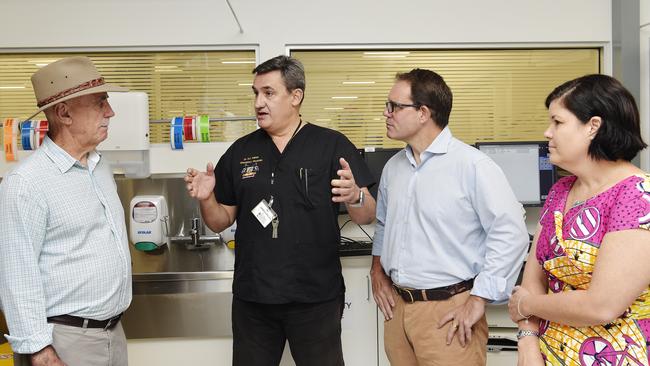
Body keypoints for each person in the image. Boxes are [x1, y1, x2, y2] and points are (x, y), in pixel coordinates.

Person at [184, 55, 376, 366]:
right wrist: (206, 198)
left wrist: (355, 196)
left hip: (315, 297)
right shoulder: (240, 152)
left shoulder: (331, 145)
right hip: (254, 299)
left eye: (269, 93)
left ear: (295, 96)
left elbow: (366, 215)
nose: (258, 102)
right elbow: (220, 222)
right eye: (255, 92)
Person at [370, 68, 529, 365]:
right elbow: (383, 224)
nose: (386, 112)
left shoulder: (472, 166)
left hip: (448, 311)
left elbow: (512, 233)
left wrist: (480, 297)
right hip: (398, 310)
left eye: (394, 106)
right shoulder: (394, 167)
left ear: (423, 113)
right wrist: (377, 271)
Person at [508, 74, 650, 365]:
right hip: (545, 354)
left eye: (558, 122)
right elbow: (534, 279)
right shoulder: (561, 190)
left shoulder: (637, 196)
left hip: (616, 356)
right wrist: (527, 341)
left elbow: (601, 305)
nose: (548, 133)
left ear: (593, 127)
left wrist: (526, 304)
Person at [0, 56, 132, 366]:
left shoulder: (100, 166)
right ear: (64, 113)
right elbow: (17, 275)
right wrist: (39, 351)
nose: (110, 112)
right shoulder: (26, 183)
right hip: (62, 343)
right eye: (100, 102)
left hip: (113, 333)